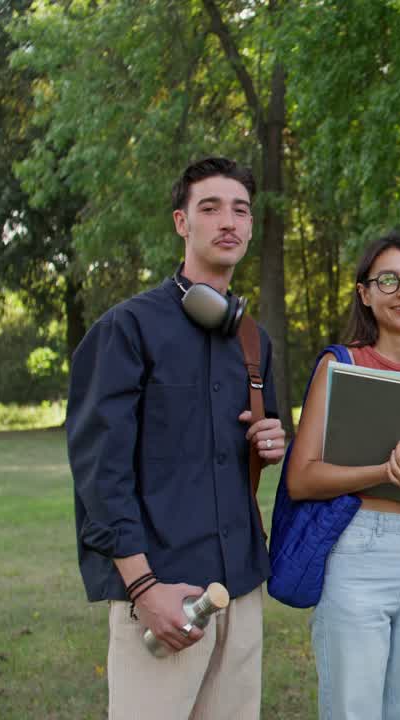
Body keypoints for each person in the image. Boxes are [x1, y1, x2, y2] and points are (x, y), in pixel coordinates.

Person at [67, 157, 286, 719]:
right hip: (164, 594)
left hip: (240, 587)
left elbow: (253, 442)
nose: (227, 221)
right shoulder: (127, 329)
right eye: (209, 208)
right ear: (181, 223)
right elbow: (100, 472)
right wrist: (143, 588)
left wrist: (268, 440)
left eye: (240, 209)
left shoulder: (254, 341)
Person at [285, 231, 400, 719]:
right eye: (389, 280)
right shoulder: (341, 366)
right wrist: (384, 470)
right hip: (357, 548)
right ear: (365, 293)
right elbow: (301, 479)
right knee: (353, 709)